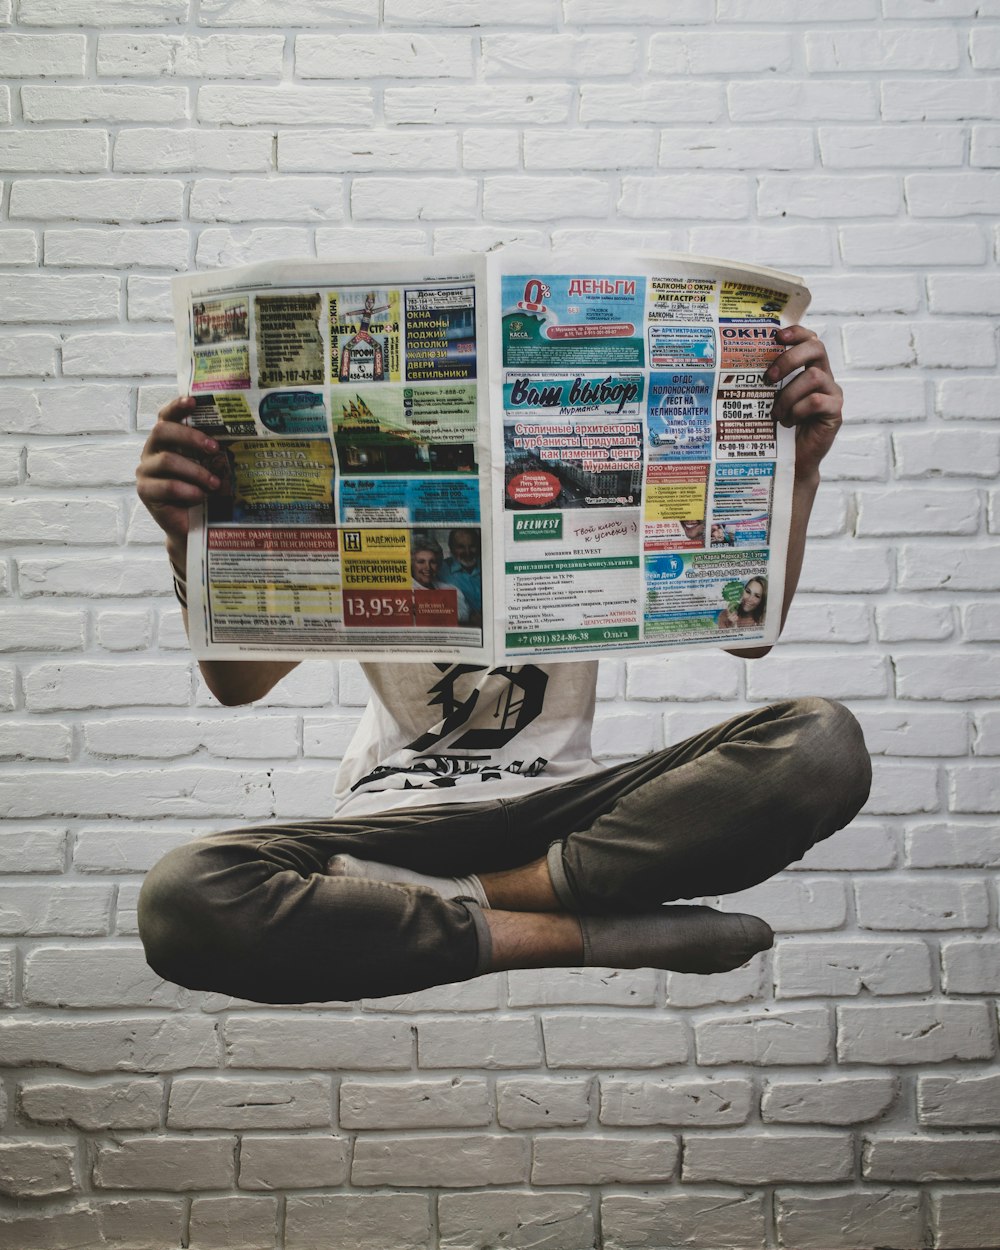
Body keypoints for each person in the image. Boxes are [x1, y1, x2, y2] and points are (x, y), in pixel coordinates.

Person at [135, 325, 871, 1005]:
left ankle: (467, 896)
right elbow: (238, 684)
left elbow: (747, 634)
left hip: (566, 811)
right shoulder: (366, 512)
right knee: (183, 897)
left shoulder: (590, 493)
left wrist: (792, 476)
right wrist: (188, 543)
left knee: (822, 747)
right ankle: (579, 932)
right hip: (394, 820)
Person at [410, 538, 472, 625]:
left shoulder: (451, 588)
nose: (427, 567)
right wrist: (447, 611)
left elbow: (465, 615)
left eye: (432, 562)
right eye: (421, 562)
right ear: (412, 565)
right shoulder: (405, 590)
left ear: (438, 564)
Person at [438, 527, 483, 627]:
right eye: (461, 547)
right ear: (451, 548)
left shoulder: (489, 564)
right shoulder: (441, 570)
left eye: (472, 546)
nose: (467, 552)